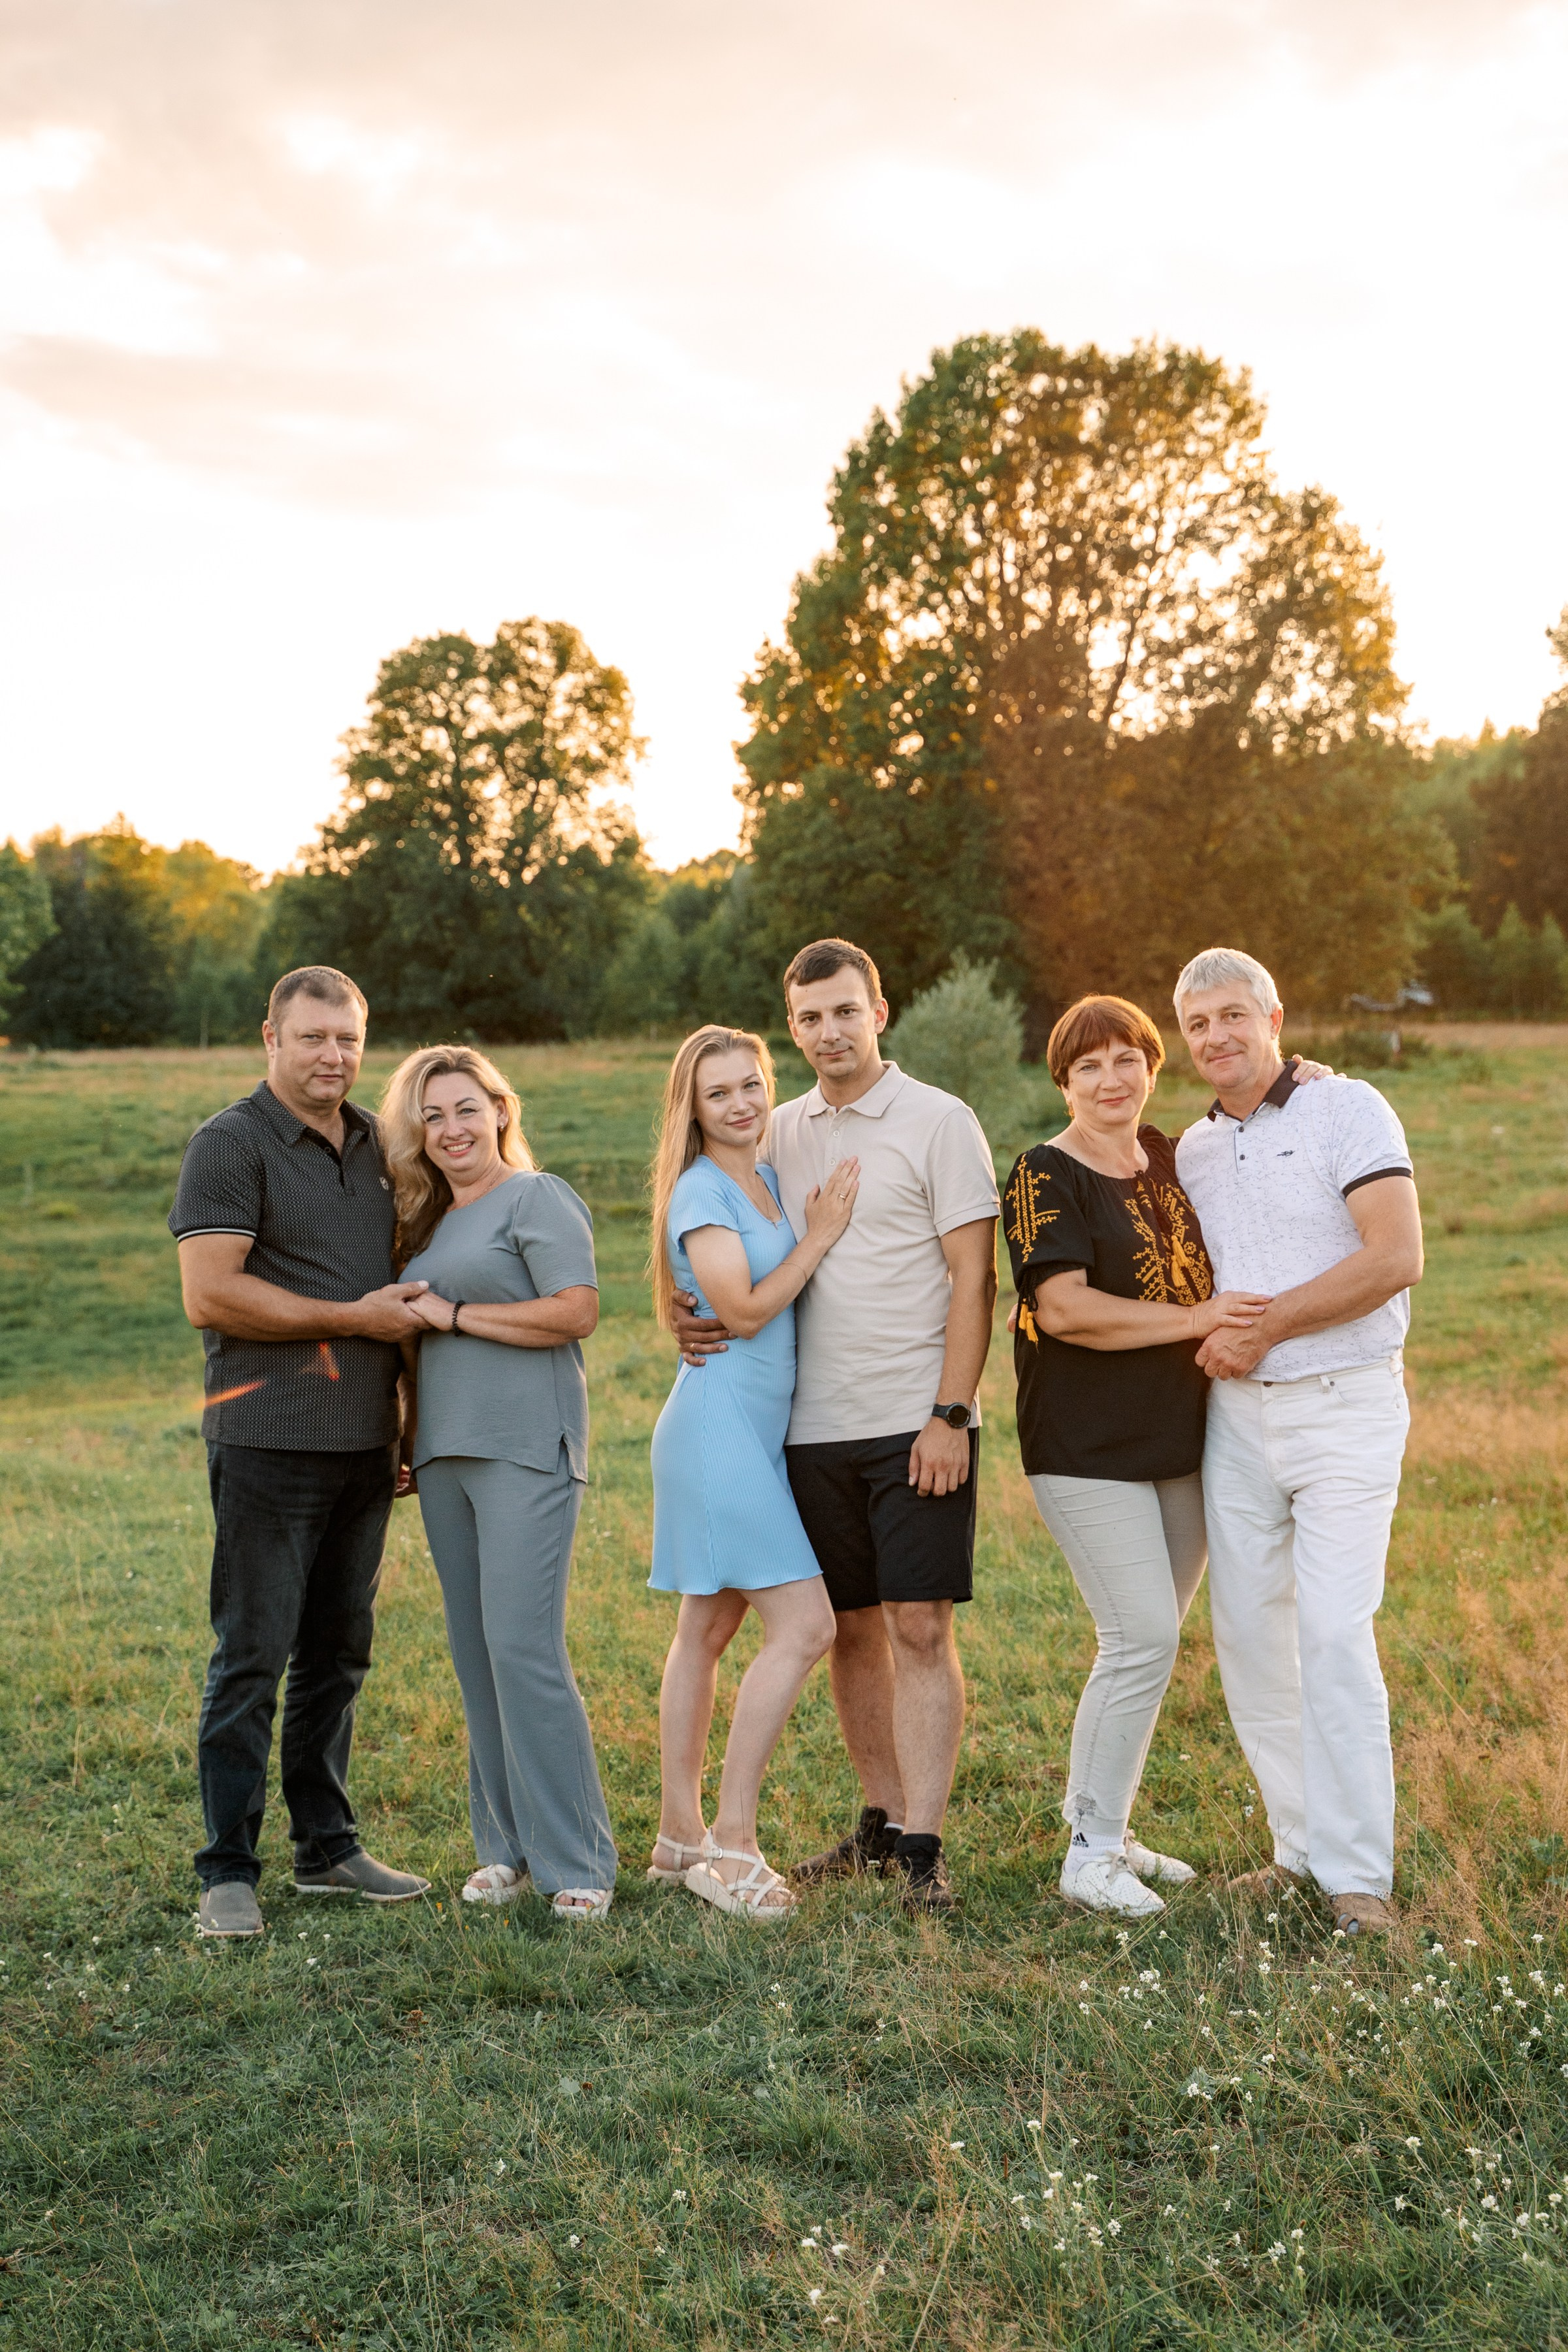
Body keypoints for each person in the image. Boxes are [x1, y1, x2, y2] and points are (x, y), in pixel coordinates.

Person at [675, 940, 1000, 1914]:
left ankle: (926, 1850)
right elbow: (717, 1238)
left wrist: (951, 1413)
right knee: (850, 1631)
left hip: (916, 1422)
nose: (830, 1032)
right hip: (807, 1430)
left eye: (845, 1012)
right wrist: (688, 1313)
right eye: (811, 1018)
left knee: (918, 1625)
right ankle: (881, 1821)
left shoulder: (941, 1122)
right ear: (793, 1028)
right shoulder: (772, 1129)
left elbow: (975, 1279)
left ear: (880, 1012)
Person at [170, 966, 434, 1940]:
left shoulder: (375, 1143)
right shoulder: (230, 1144)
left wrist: (407, 1422)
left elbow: (399, 1295)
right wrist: (350, 1321)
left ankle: (326, 1849)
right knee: (252, 1656)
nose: (333, 1056)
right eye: (313, 1037)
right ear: (270, 1039)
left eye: (349, 1040)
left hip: (365, 1447)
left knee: (338, 1653)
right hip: (266, 1442)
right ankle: (226, 1870)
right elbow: (213, 1294)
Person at [1003, 994, 1279, 1918]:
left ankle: (1110, 1827)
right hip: (1085, 1447)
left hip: (1182, 1439)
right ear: (1065, 1082)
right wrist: (1199, 1319)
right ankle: (1087, 1857)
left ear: (1154, 1068)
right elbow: (1067, 1308)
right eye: (1090, 1067)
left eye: (1128, 1059)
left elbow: (1262, 1107)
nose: (1112, 1080)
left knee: (1143, 1651)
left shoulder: (1167, 1154)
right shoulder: (1045, 1174)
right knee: (1142, 1637)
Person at [1173, 947, 1424, 1938]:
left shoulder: (1347, 1108)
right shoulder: (1191, 1150)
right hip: (1237, 1423)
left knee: (1330, 1633)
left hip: (1345, 1405)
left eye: (1235, 1015)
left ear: (1276, 1015)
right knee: (1250, 1642)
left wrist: (1268, 1326)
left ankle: (1360, 1879)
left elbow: (1396, 1256)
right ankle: (1300, 1849)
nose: (1218, 1037)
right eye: (1198, 1025)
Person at [385, 1046, 618, 1922]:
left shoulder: (537, 1197)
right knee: (477, 1654)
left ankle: (580, 1861)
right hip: (444, 1453)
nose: (451, 1130)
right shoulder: (429, 1227)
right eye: (433, 1116)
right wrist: (407, 1436)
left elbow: (576, 1309)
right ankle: (505, 1851)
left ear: (500, 1111)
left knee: (524, 1648)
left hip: (527, 1446)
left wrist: (453, 1313)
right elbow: (414, 1346)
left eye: (465, 1109)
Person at [645, 1027, 853, 1920]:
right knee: (806, 1627)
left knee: (707, 1628)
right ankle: (731, 1843)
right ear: (692, 1107)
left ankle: (674, 1838)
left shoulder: (762, 1177)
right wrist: (822, 1236)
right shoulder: (700, 1190)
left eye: (752, 1085)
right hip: (717, 1428)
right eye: (719, 1091)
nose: (741, 1103)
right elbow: (746, 1310)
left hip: (750, 1432)